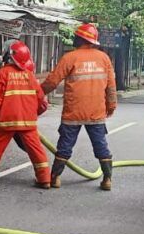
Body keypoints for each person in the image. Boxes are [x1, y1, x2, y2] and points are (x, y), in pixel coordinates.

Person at [41, 23, 117, 190]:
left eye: (76, 36)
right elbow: (111, 86)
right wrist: (111, 106)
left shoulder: (70, 57)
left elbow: (52, 81)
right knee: (101, 145)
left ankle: (55, 178)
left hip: (73, 112)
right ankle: (107, 180)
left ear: (81, 39)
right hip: (96, 112)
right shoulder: (104, 58)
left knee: (65, 146)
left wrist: (37, 94)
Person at [0, 41, 51, 187]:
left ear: (10, 55)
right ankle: (45, 180)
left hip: (6, 121)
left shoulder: (2, 74)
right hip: (28, 123)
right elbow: (42, 101)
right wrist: (33, 114)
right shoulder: (30, 76)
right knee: (36, 150)